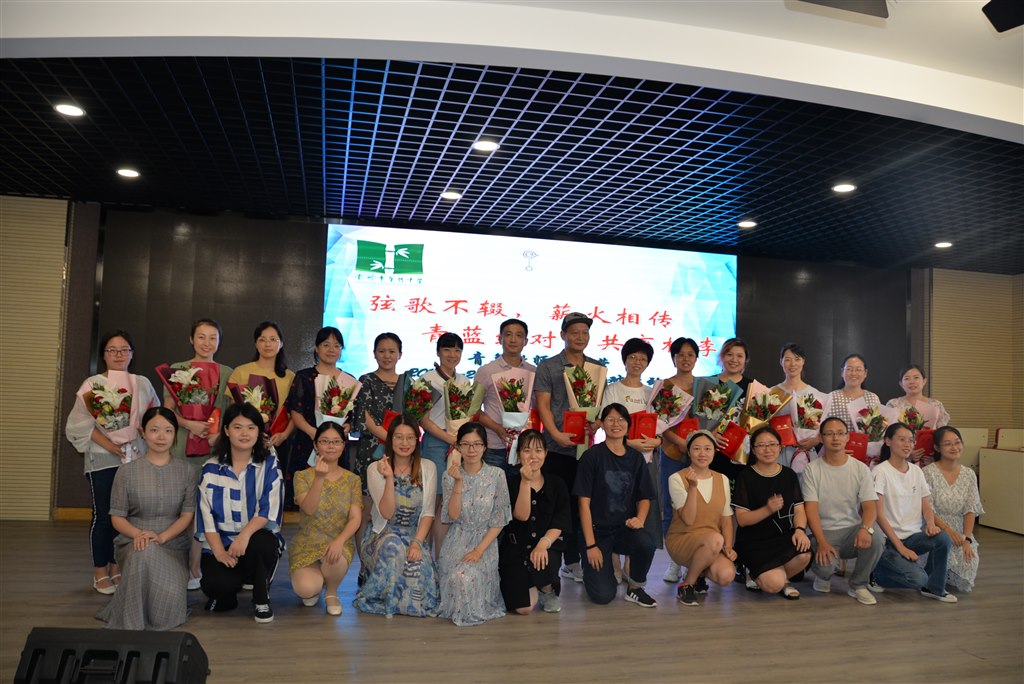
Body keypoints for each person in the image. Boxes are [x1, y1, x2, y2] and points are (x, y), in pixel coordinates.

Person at [66, 330, 160, 595]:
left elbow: (154, 415)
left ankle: (117, 565)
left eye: (124, 350)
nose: (119, 355)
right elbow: (80, 425)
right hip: (103, 459)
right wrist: (112, 445)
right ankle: (100, 571)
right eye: (112, 350)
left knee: (128, 516)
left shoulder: (142, 383)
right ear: (104, 355)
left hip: (136, 458)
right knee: (104, 515)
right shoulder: (92, 385)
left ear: (132, 354)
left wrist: (144, 430)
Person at [96, 407, 198, 630]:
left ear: (175, 434)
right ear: (143, 432)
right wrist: (139, 534)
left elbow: (187, 515)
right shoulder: (126, 472)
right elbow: (117, 518)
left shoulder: (187, 471)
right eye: (154, 430)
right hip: (134, 540)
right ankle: (131, 622)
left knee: (169, 600)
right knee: (144, 551)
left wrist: (162, 537)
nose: (161, 436)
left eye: (168, 430)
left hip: (173, 543)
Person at [159, 318, 233, 590]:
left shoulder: (227, 373)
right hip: (182, 447)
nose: (206, 343)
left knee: (207, 509)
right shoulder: (178, 370)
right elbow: (168, 410)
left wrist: (218, 433)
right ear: (192, 339)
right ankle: (173, 564)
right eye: (201, 337)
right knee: (182, 507)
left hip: (214, 449)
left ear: (219, 342)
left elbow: (231, 413)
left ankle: (196, 566)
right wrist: (189, 424)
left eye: (213, 337)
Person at [197, 403, 284, 622]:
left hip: (253, 539)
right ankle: (232, 589)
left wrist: (243, 537)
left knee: (263, 543)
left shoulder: (269, 464)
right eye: (238, 427)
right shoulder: (210, 468)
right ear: (227, 430)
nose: (245, 433)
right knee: (215, 586)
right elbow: (206, 517)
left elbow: (268, 510)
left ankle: (261, 597)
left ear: (259, 432)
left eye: (251, 427)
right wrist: (220, 552)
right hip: (222, 542)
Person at [535, 311, 600, 583]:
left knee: (580, 505)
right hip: (556, 448)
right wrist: (555, 434)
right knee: (555, 506)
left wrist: (596, 424)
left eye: (585, 332)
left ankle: (574, 561)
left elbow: (598, 407)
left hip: (585, 451)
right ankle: (553, 563)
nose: (580, 337)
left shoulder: (596, 368)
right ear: (563, 335)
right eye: (574, 332)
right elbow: (543, 405)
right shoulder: (549, 366)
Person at [355, 415, 440, 618]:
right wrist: (389, 477)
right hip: (382, 536)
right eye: (399, 437)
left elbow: (428, 513)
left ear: (417, 440)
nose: (404, 443)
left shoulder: (428, 467)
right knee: (393, 549)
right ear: (390, 439)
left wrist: (417, 543)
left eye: (410, 437)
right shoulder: (375, 469)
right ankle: (384, 596)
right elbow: (387, 512)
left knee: (419, 574)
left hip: (414, 536)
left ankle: (398, 599)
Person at [575, 403, 658, 608]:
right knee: (603, 596)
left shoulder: (635, 458)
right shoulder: (591, 457)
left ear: (628, 425)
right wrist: (591, 546)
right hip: (597, 533)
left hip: (624, 529)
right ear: (602, 424)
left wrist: (640, 519)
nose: (616, 424)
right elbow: (583, 505)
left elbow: (644, 497)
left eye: (621, 419)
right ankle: (592, 569)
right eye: (610, 419)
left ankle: (635, 588)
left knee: (646, 543)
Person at [800, 416, 885, 605]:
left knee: (877, 537)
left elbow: (870, 505)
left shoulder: (860, 468)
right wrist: (821, 542)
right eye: (829, 434)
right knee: (825, 568)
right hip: (823, 532)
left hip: (851, 532)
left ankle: (858, 585)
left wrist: (865, 528)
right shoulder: (812, 470)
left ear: (847, 437)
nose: (835, 438)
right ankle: (823, 576)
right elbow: (811, 509)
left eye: (840, 433)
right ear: (821, 438)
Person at [600, 338, 662, 584]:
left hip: (644, 461)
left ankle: (630, 563)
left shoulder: (651, 393)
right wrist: (630, 443)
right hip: (617, 459)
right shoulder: (613, 390)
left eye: (643, 359)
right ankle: (615, 563)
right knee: (615, 507)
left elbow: (661, 427)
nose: (637, 362)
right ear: (624, 360)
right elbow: (606, 423)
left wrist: (657, 441)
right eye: (633, 357)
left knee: (639, 507)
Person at [872, 422, 956, 603]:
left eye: (911, 440)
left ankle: (934, 588)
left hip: (912, 538)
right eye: (901, 439)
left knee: (943, 538)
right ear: (888, 441)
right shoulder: (880, 471)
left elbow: (926, 505)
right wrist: (900, 547)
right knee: (917, 578)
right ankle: (875, 575)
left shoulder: (916, 471)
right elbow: (878, 515)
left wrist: (931, 524)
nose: (907, 444)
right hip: (888, 541)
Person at [437, 422, 511, 626]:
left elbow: (499, 519)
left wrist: (479, 550)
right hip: (456, 540)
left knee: (463, 577)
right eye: (466, 444)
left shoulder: (497, 475)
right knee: (455, 576)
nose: (471, 449)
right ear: (458, 447)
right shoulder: (449, 476)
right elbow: (452, 516)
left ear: (485, 447)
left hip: (485, 543)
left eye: (477, 444)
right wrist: (458, 482)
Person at [288, 422, 362, 616]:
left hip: (336, 543)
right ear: (315, 445)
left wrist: (339, 541)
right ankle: (316, 581)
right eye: (325, 441)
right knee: (306, 590)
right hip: (308, 542)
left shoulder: (352, 480)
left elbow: (355, 518)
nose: (331, 446)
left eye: (336, 442)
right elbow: (309, 509)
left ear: (343, 445)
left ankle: (331, 591)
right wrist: (319, 478)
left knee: (335, 559)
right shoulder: (302, 476)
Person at [732, 426, 811, 599]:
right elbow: (742, 519)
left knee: (804, 555)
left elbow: (799, 508)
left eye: (772, 444)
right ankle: (756, 573)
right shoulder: (746, 476)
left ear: (780, 447)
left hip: (783, 538)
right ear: (753, 450)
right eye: (761, 445)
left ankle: (783, 579)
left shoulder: (789, 474)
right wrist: (767, 509)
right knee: (773, 585)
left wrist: (800, 530)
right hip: (755, 542)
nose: (767, 449)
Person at [498, 429, 570, 614]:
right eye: (526, 450)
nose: (533, 456)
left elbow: (560, 522)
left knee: (544, 560)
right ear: (518, 454)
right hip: (516, 549)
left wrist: (543, 544)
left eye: (538, 450)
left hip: (545, 547)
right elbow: (521, 516)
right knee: (524, 609)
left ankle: (547, 588)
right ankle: (531, 584)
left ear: (546, 453)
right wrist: (525, 482)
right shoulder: (509, 482)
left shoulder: (557, 484)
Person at [286, 326, 357, 506]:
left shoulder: (348, 379)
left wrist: (347, 426)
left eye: (336, 345)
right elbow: (295, 411)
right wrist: (314, 433)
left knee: (336, 497)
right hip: (307, 441)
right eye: (326, 345)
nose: (331, 349)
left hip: (337, 445)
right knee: (306, 494)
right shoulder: (304, 376)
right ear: (316, 348)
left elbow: (353, 414)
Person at [665, 430, 737, 606]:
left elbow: (726, 518)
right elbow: (688, 519)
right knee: (715, 539)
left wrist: (728, 547)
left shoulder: (722, 479)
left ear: (714, 452)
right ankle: (687, 585)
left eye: (707, 449)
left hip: (712, 543)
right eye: (697, 449)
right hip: (683, 538)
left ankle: (698, 575)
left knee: (726, 575)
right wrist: (692, 488)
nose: (702, 454)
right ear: (689, 452)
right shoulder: (677, 478)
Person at [922, 426, 983, 593]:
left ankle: (943, 577)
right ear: (937, 448)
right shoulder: (927, 472)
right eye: (948, 444)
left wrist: (967, 538)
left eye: (957, 442)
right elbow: (927, 508)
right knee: (943, 552)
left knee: (968, 559)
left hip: (960, 528)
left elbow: (970, 509)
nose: (954, 447)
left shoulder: (969, 474)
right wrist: (947, 530)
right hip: (934, 526)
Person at [658, 336, 699, 584]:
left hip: (699, 456)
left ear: (696, 358)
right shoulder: (665, 386)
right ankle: (674, 560)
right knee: (670, 507)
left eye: (690, 354)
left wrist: (695, 446)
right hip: (673, 453)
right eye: (680, 354)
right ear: (673, 358)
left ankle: (693, 559)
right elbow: (661, 424)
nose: (685, 359)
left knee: (696, 506)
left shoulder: (705, 386)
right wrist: (680, 442)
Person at [474, 318, 536, 471]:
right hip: (493, 446)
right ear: (500, 339)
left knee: (521, 486)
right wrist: (497, 428)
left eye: (519, 335)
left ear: (526, 341)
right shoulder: (486, 371)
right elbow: (474, 409)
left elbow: (537, 406)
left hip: (524, 447)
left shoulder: (533, 371)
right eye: (508, 335)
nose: (513, 340)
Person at [225, 321, 296, 451]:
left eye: (273, 339)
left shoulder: (290, 377)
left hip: (277, 441)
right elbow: (233, 410)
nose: (267, 344)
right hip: (245, 440)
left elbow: (294, 413)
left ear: (281, 343)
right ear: (256, 344)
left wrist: (284, 435)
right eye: (262, 340)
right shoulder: (241, 371)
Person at [350, 332, 405, 489]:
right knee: (370, 492)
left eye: (392, 351)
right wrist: (392, 440)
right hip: (372, 447)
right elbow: (365, 416)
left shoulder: (407, 382)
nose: (387, 356)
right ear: (374, 354)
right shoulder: (366, 380)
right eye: (381, 351)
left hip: (402, 448)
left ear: (400, 354)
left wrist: (399, 441)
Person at [886, 365, 951, 466]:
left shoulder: (936, 405)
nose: (911, 382)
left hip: (930, 460)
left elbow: (943, 433)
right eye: (907, 378)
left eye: (916, 377)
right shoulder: (894, 404)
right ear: (901, 384)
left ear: (924, 381)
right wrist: (908, 452)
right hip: (901, 460)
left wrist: (936, 449)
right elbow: (888, 434)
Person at [772, 342, 823, 470]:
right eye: (787, 360)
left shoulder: (815, 394)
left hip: (806, 454)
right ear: (781, 362)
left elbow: (824, 428)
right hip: (777, 454)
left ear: (803, 361)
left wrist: (816, 440)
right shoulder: (771, 393)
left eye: (797, 359)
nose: (792, 364)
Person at [706, 337, 751, 481]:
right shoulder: (708, 383)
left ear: (745, 360)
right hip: (712, 450)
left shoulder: (752, 387)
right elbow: (699, 419)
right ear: (721, 356)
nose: (734, 360)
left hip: (741, 454)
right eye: (729, 354)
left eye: (739, 356)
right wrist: (709, 433)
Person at [824, 353, 880, 434]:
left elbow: (877, 427)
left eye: (858, 369)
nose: (854, 373)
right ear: (842, 372)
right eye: (849, 369)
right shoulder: (831, 397)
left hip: (865, 442)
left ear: (865, 373)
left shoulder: (873, 398)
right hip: (837, 441)